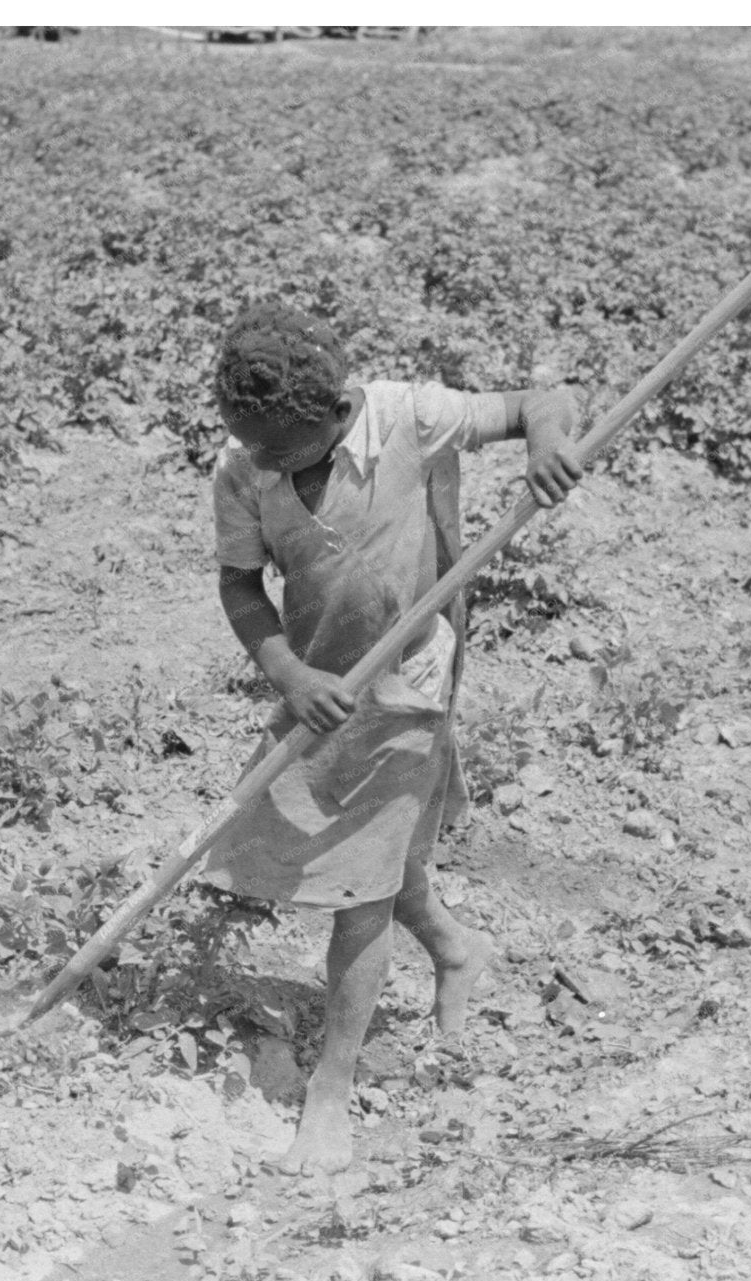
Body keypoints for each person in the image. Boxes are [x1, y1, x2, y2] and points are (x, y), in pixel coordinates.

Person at [201, 300, 585, 1175]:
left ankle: (329, 1097)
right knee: (344, 851)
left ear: (335, 413)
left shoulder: (411, 416)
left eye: (276, 448)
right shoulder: (243, 464)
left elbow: (538, 400)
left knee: (360, 885)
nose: (258, 458)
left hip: (408, 680)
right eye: (246, 441)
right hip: (321, 686)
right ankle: (456, 949)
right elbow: (240, 586)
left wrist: (545, 446)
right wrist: (290, 676)